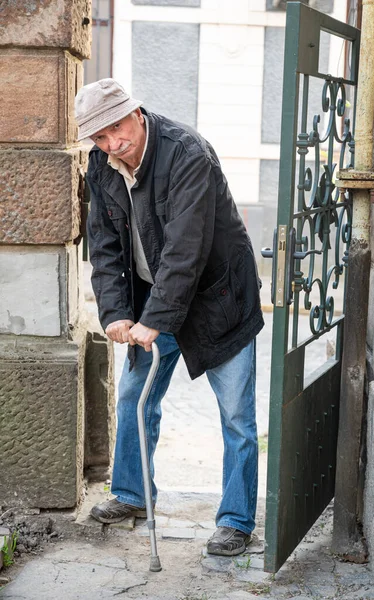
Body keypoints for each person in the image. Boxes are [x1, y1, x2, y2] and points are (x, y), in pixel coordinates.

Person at [75, 78, 264, 556]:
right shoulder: (103, 165)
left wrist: (154, 318)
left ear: (136, 113)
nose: (113, 144)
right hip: (150, 304)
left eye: (117, 129)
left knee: (237, 416)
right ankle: (132, 495)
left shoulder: (188, 154)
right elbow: (104, 246)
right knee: (135, 398)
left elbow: (185, 251)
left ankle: (236, 520)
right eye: (100, 137)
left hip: (218, 299)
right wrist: (117, 311)